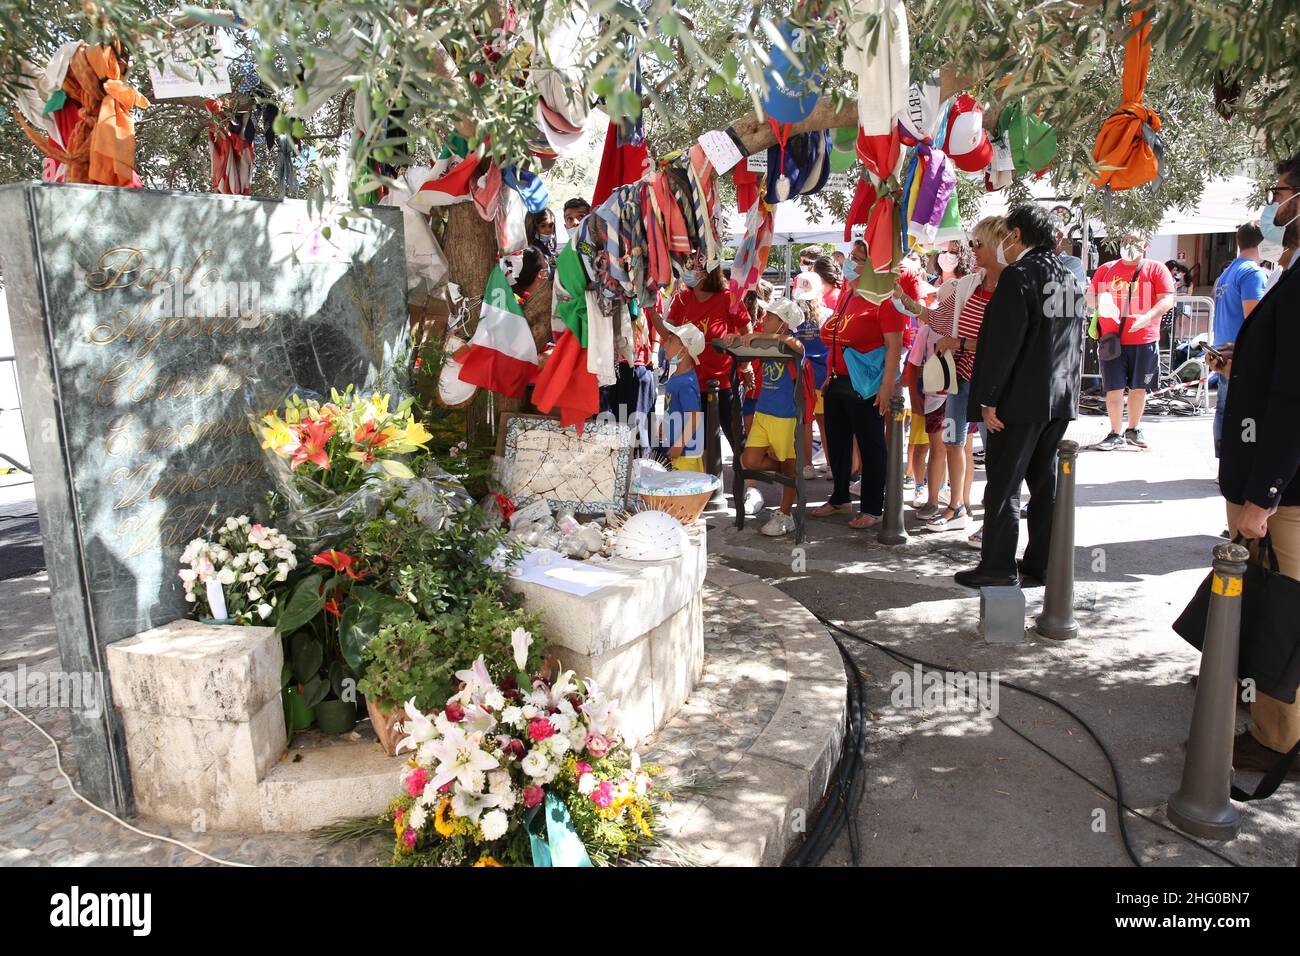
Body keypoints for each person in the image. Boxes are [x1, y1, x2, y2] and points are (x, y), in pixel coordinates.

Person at [1210, 152, 1300, 774]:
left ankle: (1279, 739)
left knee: (1280, 606)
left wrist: (1262, 496)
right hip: (1278, 481)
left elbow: (1291, 398)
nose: (1274, 203)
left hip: (1286, 491)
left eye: (1281, 191)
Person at [954, 205, 1085, 589]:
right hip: (1058, 397)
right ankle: (1041, 563)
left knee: (1004, 484)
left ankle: (997, 565)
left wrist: (989, 397)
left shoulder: (1019, 275)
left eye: (1008, 234)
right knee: (1044, 485)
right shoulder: (1069, 276)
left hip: (1020, 398)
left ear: (1017, 234)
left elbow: (1004, 343)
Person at [903, 216, 1009, 533]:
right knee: (952, 441)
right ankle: (957, 507)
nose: (972, 249)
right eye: (972, 243)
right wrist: (910, 304)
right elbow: (939, 317)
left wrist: (961, 342)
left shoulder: (1012, 287)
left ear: (996, 245)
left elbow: (1008, 342)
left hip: (994, 383)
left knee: (996, 452)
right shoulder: (968, 285)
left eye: (979, 243)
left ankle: (996, 519)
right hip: (960, 377)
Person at [810, 239, 906, 529]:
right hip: (837, 383)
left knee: (871, 446)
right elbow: (835, 339)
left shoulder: (885, 299)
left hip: (867, 386)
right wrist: (828, 374)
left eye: (858, 258)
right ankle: (840, 497)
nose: (850, 262)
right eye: (851, 257)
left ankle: (872, 507)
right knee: (838, 444)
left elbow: (894, 346)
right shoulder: (847, 295)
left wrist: (887, 386)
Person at [655, 251, 743, 469]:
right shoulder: (682, 298)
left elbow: (746, 331)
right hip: (693, 381)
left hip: (722, 382)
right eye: (687, 265)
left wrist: (741, 351)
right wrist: (650, 308)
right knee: (698, 441)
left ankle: (748, 486)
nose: (688, 270)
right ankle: (706, 486)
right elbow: (668, 334)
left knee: (735, 437)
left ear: (708, 271)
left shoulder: (727, 297)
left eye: (693, 266)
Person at [1090, 232, 1176, 451]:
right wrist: (1102, 302)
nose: (1129, 245)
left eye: (1134, 241)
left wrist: (1147, 317)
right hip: (1112, 340)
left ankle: (1133, 429)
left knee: (1139, 388)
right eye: (1125, 241)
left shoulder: (1156, 268)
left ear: (1145, 244)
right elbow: (1090, 297)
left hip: (1144, 339)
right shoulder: (1106, 269)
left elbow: (1167, 299)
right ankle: (1114, 432)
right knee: (1113, 389)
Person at [729, 298, 806, 536]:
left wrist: (771, 337)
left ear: (783, 324)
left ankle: (785, 514)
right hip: (763, 413)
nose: (764, 319)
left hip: (785, 417)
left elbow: (798, 346)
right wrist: (737, 340)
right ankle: (784, 469)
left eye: (770, 317)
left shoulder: (791, 343)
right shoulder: (762, 341)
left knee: (790, 465)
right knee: (750, 461)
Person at [1211, 222, 1269, 458]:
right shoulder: (1252, 273)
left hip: (1226, 351)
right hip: (1240, 353)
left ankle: (1225, 462)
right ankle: (1235, 462)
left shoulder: (1228, 272)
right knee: (1241, 411)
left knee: (1225, 409)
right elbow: (1253, 318)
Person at [793, 269, 832, 479]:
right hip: (824, 376)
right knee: (826, 423)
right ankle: (831, 464)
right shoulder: (828, 315)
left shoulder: (793, 317)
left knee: (805, 422)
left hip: (803, 376)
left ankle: (807, 465)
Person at [660, 322, 707, 472]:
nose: (665, 344)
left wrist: (679, 445)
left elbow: (695, 418)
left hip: (685, 454)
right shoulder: (677, 376)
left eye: (670, 341)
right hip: (679, 450)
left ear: (683, 351)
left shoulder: (686, 383)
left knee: (683, 493)